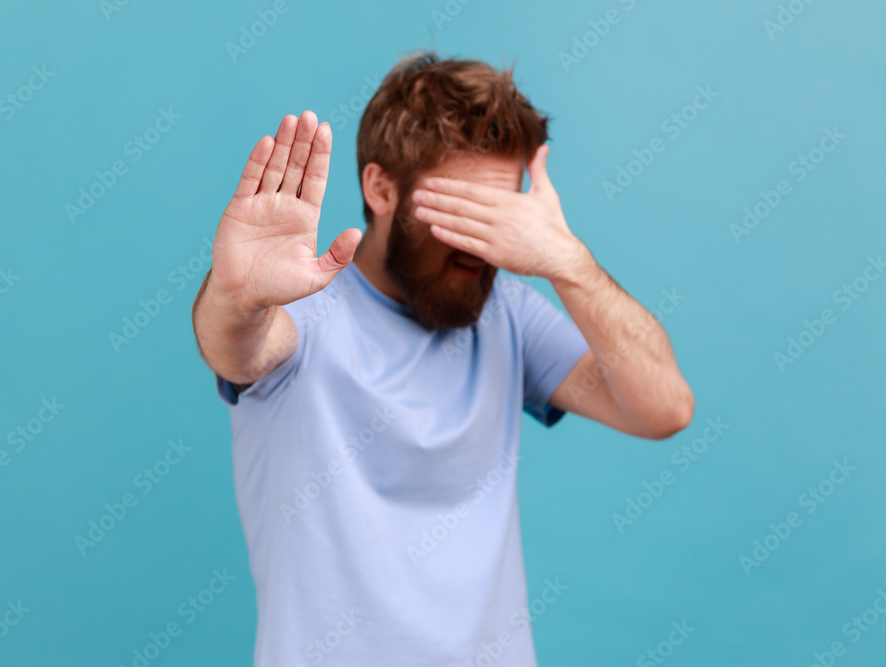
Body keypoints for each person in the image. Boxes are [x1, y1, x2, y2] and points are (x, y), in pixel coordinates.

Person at [191, 51, 694, 666]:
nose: (485, 243)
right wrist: (233, 298)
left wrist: (570, 263)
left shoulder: (507, 313)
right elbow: (236, 344)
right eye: (461, 210)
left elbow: (664, 408)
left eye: (504, 214)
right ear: (381, 189)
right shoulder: (305, 315)